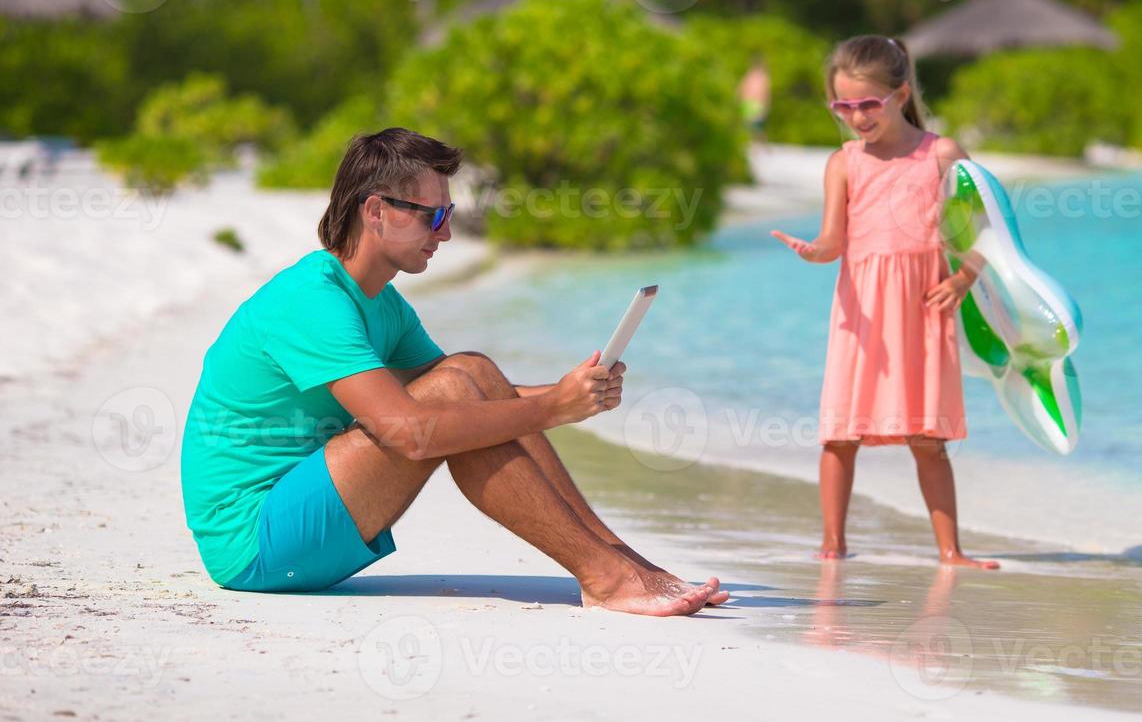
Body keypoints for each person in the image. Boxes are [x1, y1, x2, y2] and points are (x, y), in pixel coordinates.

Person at [180, 127, 728, 615]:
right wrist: (552, 407)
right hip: (256, 543)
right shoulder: (311, 301)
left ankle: (620, 562)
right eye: (432, 215)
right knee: (453, 387)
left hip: (306, 520)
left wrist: (575, 392)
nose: (444, 233)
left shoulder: (381, 303)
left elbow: (476, 390)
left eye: (448, 215)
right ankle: (605, 577)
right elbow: (409, 433)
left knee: (471, 369)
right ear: (375, 212)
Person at [770, 36, 999, 568]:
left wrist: (965, 275)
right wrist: (814, 251)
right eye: (843, 106)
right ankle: (833, 544)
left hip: (923, 310)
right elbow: (834, 241)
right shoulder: (843, 163)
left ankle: (950, 550)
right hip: (862, 314)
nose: (856, 117)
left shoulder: (941, 155)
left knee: (927, 436)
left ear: (899, 94)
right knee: (839, 434)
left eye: (867, 104)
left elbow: (988, 232)